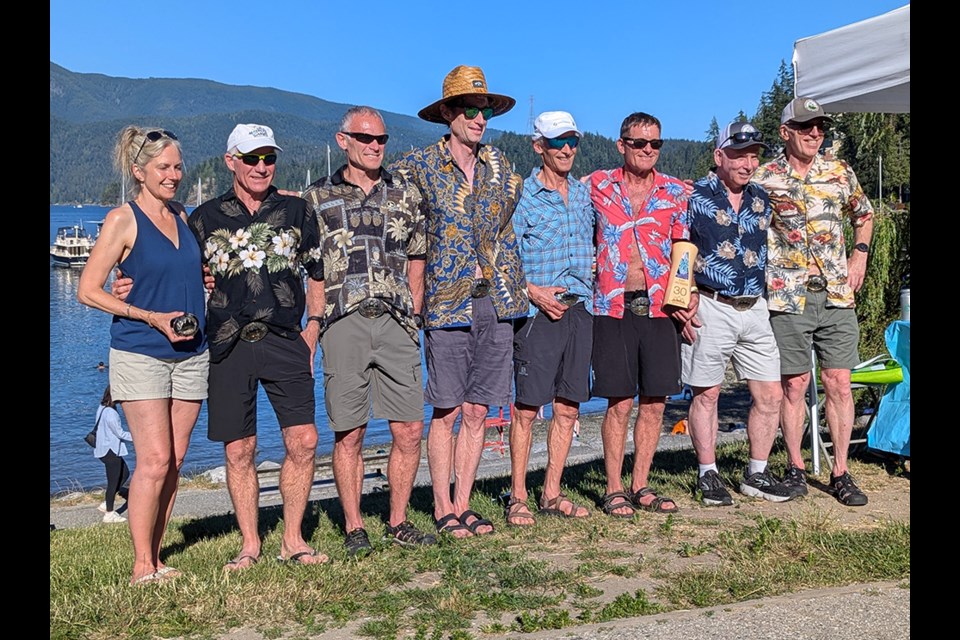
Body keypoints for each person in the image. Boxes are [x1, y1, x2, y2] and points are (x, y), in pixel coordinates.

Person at [390, 65, 528, 537]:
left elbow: (508, 227)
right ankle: (442, 506)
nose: (479, 118)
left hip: (496, 301)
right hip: (446, 303)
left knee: (478, 410)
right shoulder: (418, 168)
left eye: (484, 109)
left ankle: (465, 502)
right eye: (469, 109)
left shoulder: (502, 169)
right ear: (448, 112)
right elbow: (399, 230)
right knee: (446, 410)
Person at [185, 123, 329, 567]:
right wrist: (127, 281)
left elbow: (317, 271)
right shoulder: (204, 218)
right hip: (227, 341)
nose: (262, 167)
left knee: (304, 440)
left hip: (286, 338)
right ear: (231, 161)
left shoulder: (297, 211)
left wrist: (314, 327)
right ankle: (250, 543)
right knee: (239, 448)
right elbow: (181, 276)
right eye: (252, 158)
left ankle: (292, 539)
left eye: (269, 158)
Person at [301, 106, 436, 555]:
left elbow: (418, 255)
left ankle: (397, 521)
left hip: (397, 319)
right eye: (365, 139)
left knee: (410, 430)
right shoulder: (316, 198)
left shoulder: (405, 193)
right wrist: (315, 322)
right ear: (344, 140)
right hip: (342, 322)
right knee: (350, 431)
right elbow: (310, 268)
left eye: (381, 139)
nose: (375, 146)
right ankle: (355, 526)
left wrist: (414, 311)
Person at [77, 125, 209, 585]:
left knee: (174, 461)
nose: (172, 175)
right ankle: (140, 566)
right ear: (139, 171)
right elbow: (88, 290)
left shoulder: (184, 214)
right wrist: (147, 315)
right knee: (153, 459)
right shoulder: (123, 219)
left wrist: (204, 282)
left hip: (193, 352)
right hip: (141, 352)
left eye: (176, 166)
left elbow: (183, 273)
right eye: (162, 168)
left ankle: (157, 556)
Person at [753, 97, 875, 506]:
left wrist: (859, 255)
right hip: (787, 296)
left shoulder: (838, 172)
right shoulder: (764, 177)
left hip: (837, 294)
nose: (815, 133)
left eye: (820, 126)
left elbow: (865, 213)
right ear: (785, 132)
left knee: (839, 383)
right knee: (794, 385)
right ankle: (795, 468)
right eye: (805, 127)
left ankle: (840, 471)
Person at [679, 120, 794, 506]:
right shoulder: (693, 196)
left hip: (755, 306)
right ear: (719, 156)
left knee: (770, 394)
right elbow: (677, 248)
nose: (748, 163)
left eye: (754, 155)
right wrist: (684, 296)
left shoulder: (762, 198)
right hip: (711, 304)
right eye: (740, 154)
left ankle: (756, 473)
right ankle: (708, 473)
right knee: (707, 393)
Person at [586, 112, 689, 519]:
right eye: (640, 143)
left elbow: (684, 250)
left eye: (655, 144)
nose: (648, 150)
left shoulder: (676, 192)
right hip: (612, 306)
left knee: (655, 402)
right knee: (619, 401)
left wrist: (689, 294)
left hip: (660, 307)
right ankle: (613, 488)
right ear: (621, 144)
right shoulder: (596, 186)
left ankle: (640, 483)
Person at [505, 111, 594, 526]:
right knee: (526, 409)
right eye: (558, 142)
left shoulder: (581, 194)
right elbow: (504, 257)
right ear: (539, 145)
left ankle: (551, 492)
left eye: (572, 141)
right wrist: (532, 291)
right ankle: (517, 495)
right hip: (538, 313)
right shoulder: (522, 195)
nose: (567, 149)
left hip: (580, 309)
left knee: (569, 407)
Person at [94, 384, 133, 523]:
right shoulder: (111, 413)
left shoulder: (102, 407)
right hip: (110, 451)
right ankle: (109, 514)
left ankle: (106, 503)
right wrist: (139, 436)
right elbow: (119, 433)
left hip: (104, 449)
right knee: (113, 482)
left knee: (125, 474)